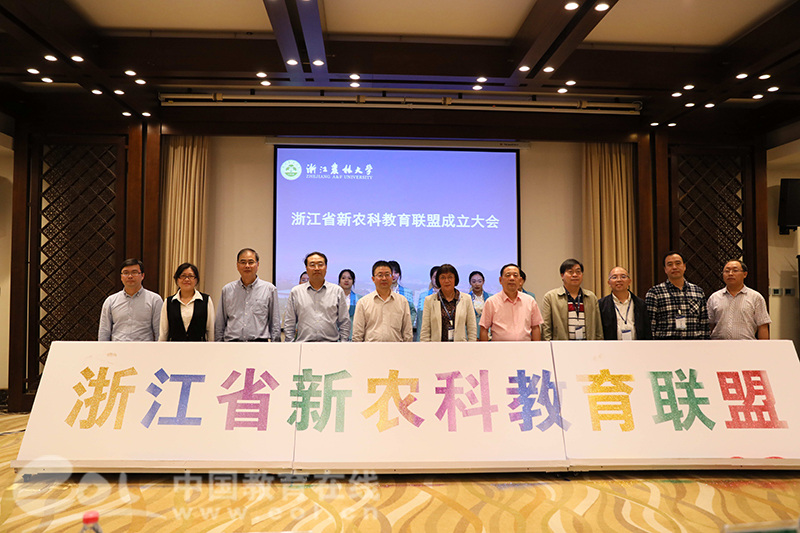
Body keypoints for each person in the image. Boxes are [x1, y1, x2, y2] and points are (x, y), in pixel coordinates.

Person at [214, 248, 281, 342]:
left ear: (257, 265)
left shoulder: (269, 289)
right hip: (232, 344)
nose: (247, 266)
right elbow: (220, 324)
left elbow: (275, 324)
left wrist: (275, 346)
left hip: (259, 345)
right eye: (243, 262)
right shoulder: (227, 290)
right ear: (237, 265)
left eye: (251, 262)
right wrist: (219, 345)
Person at [283, 252, 350, 342]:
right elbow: (289, 323)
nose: (317, 268)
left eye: (320, 264)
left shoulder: (337, 291)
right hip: (304, 345)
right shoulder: (296, 292)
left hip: (331, 345)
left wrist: (343, 344)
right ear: (306, 268)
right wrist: (291, 345)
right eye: (312, 265)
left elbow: (344, 323)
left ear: (326, 267)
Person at [645, 251, 709, 339]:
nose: (674, 267)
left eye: (678, 263)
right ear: (665, 269)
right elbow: (650, 325)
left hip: (693, 344)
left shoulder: (698, 292)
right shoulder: (655, 293)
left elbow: (704, 324)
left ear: (684, 266)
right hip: (666, 345)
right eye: (670, 264)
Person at [98, 258, 162, 341]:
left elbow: (159, 332)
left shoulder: (155, 300)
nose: (130, 276)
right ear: (121, 277)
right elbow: (104, 332)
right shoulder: (110, 301)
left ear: (142, 275)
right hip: (118, 348)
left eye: (134, 272)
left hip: (143, 348)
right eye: (126, 273)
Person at [540, 259, 603, 341]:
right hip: (561, 346)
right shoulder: (551, 297)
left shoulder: (591, 297)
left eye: (578, 272)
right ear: (562, 275)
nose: (575, 275)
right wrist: (549, 345)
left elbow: (598, 328)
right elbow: (546, 328)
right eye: (570, 272)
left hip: (588, 345)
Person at [708, 260, 771, 340]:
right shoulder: (714, 297)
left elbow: (762, 326)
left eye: (735, 270)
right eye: (727, 271)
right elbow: (710, 325)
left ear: (745, 274)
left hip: (746, 344)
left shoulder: (755, 297)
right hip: (719, 344)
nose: (730, 274)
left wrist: (764, 346)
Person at [479, 263, 543, 341]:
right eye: (508, 275)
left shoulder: (530, 301)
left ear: (520, 280)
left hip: (525, 347)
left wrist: (536, 347)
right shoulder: (491, 302)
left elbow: (535, 327)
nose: (512, 278)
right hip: (499, 347)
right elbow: (484, 328)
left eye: (515, 275)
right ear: (500, 280)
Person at [352, 260, 413, 342]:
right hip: (371, 349)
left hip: (396, 348)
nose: (384, 278)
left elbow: (407, 333)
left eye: (387, 275)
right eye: (380, 275)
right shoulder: (363, 302)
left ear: (392, 277)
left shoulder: (402, 301)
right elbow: (357, 335)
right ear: (373, 279)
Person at [159, 262, 215, 341]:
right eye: (183, 276)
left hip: (199, 347)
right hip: (174, 347)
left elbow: (210, 331)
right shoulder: (169, 302)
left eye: (191, 276)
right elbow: (164, 333)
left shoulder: (206, 300)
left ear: (196, 280)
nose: (186, 279)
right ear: (177, 279)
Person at [420, 264, 477, 342]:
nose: (446, 281)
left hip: (460, 346)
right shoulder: (429, 300)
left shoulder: (466, 299)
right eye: (443, 277)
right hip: (436, 347)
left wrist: (472, 346)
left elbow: (472, 328)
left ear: (455, 279)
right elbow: (425, 330)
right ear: (438, 280)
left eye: (450, 277)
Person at [598, 266, 650, 340]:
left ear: (629, 282)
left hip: (637, 345)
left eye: (623, 277)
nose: (619, 280)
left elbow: (647, 330)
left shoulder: (640, 304)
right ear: (609, 283)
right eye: (614, 277)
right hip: (611, 346)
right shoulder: (601, 305)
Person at [388, 260, 416, 332]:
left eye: (396, 272)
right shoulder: (381, 292)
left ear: (399, 274)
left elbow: (412, 312)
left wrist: (408, 327)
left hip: (402, 330)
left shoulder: (407, 292)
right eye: (391, 273)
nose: (394, 275)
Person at [415, 265, 439, 341]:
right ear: (431, 278)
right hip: (427, 338)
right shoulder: (423, 296)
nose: (437, 280)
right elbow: (420, 322)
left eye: (440, 277)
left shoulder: (449, 297)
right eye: (435, 277)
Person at [338, 268, 359, 340]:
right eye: (343, 278)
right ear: (339, 281)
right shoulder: (333, 298)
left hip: (353, 335)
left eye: (349, 278)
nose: (346, 280)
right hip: (336, 336)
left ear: (353, 282)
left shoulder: (359, 299)